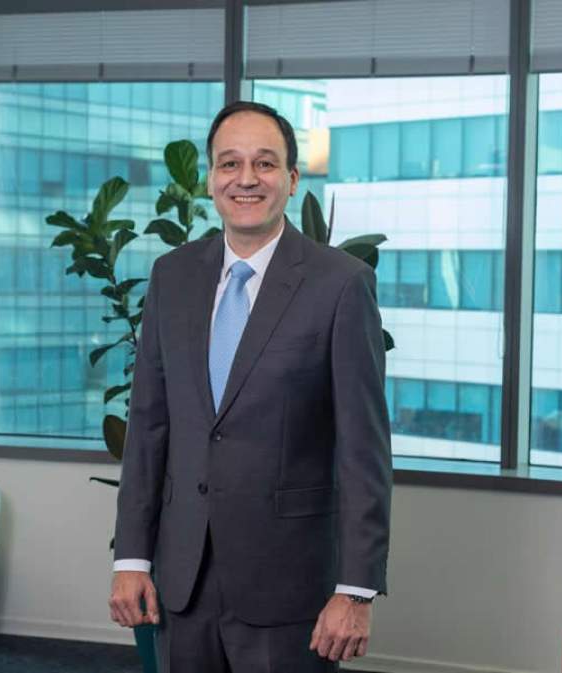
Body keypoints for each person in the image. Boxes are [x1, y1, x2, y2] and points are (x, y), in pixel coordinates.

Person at [109, 100, 392, 672]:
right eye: (229, 163)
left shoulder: (341, 284)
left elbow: (363, 450)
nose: (246, 179)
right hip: (182, 578)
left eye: (264, 163)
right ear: (210, 179)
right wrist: (131, 559)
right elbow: (148, 426)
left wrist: (356, 590)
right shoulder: (172, 275)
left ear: (292, 178)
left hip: (289, 586)